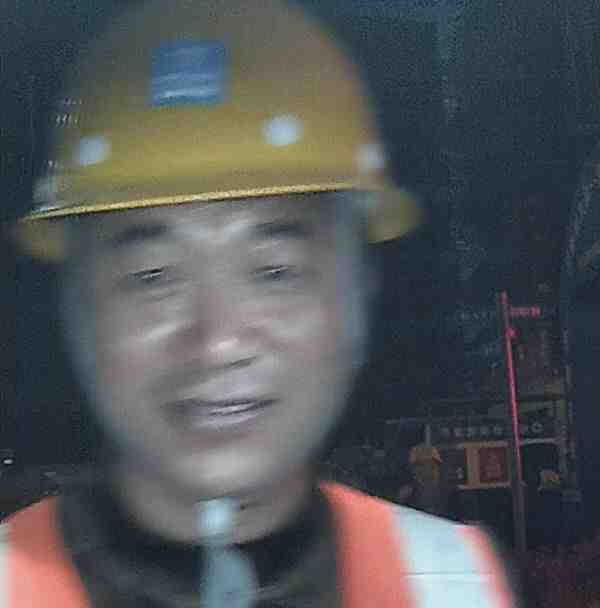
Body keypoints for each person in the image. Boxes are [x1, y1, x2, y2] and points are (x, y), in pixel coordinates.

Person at [8, 1, 518, 606]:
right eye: (152, 276)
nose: (219, 343)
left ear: (356, 294)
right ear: (76, 307)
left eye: (274, 271)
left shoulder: (449, 585)